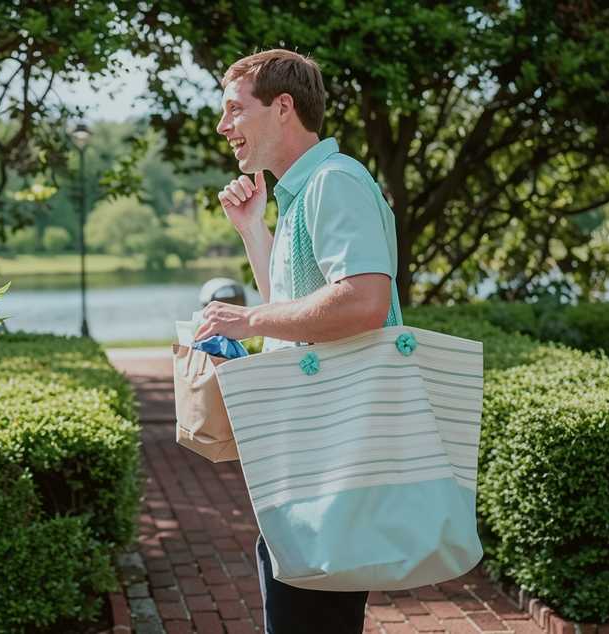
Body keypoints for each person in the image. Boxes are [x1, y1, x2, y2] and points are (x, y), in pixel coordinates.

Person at [194, 49, 402, 633]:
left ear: (283, 107)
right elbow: (294, 310)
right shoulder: (303, 193)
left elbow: (364, 302)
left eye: (235, 109)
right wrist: (252, 230)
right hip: (312, 452)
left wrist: (248, 321)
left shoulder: (335, 182)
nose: (223, 126)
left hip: (332, 454)